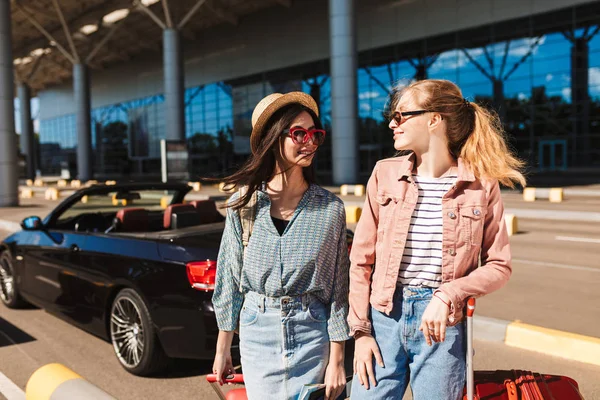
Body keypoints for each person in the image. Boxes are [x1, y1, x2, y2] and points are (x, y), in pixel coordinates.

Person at [348, 79, 525, 399]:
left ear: (433, 119)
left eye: (401, 115)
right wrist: (360, 333)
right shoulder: (384, 173)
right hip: (384, 318)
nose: (392, 123)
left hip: (443, 328)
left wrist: (449, 294)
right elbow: (361, 259)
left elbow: (499, 265)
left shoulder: (480, 184)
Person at [212, 92, 350, 400]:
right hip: (257, 332)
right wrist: (223, 348)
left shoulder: (330, 209)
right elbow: (229, 280)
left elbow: (339, 289)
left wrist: (337, 360)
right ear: (273, 139)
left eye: (316, 134)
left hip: (311, 331)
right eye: (299, 133)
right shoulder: (244, 205)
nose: (310, 142)